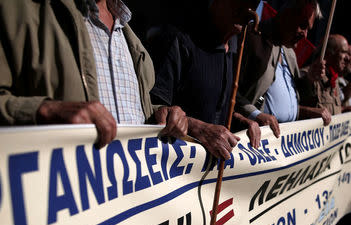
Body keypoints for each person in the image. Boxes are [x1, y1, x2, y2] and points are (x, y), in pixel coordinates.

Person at [0, 0, 187, 148]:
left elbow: (130, 114)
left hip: (130, 194)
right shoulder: (18, 10)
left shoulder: (127, 33)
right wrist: (45, 110)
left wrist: (160, 114)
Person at [149, 0, 261, 160]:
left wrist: (242, 121)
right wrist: (199, 129)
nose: (249, 10)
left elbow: (215, 108)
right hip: (173, 170)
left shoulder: (233, 47)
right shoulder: (179, 40)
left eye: (254, 3)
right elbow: (154, 110)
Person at [236, 0, 332, 131]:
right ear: (287, 15)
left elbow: (291, 101)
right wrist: (255, 114)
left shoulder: (290, 52)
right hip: (254, 137)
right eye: (303, 26)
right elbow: (229, 90)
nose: (305, 35)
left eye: (308, 29)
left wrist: (310, 78)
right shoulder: (253, 38)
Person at [298, 34, 351, 117]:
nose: (347, 58)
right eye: (344, 52)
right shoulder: (307, 75)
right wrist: (309, 111)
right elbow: (291, 109)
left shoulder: (333, 79)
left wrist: (342, 110)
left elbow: (328, 109)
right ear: (329, 53)